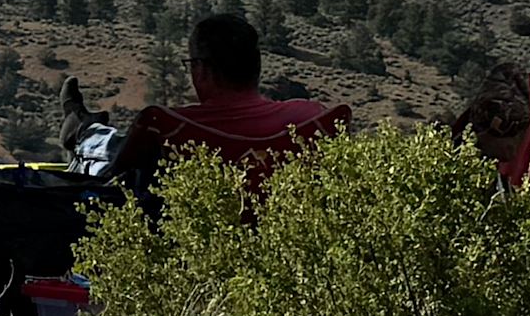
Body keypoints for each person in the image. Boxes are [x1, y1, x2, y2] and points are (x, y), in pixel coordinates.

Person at [106, 11, 350, 197]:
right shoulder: (311, 117)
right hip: (286, 245)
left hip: (193, 249)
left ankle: (87, 132)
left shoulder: (167, 125)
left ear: (200, 70)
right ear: (257, 67)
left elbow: (113, 174)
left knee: (109, 150)